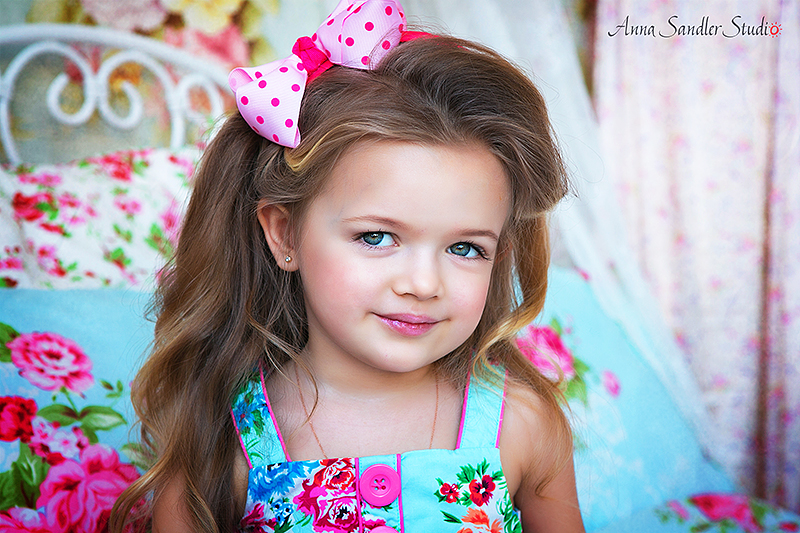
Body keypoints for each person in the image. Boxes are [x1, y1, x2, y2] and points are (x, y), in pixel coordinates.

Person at [111, 0, 585, 531]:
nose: (423, 284)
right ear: (284, 233)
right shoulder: (222, 442)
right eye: (376, 237)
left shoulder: (522, 424)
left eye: (465, 248)